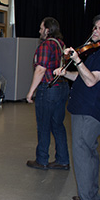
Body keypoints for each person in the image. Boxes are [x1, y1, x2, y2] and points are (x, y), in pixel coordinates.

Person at [53, 11, 100, 200]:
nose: (95, 31)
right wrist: (66, 73)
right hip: (86, 108)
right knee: (89, 154)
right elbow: (83, 78)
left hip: (90, 111)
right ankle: (91, 196)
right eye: (95, 27)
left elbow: (91, 81)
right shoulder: (99, 49)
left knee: (82, 157)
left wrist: (77, 60)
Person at [26, 17, 70, 170]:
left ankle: (42, 159)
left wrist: (31, 92)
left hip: (49, 89)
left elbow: (41, 69)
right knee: (57, 125)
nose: (39, 31)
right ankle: (63, 160)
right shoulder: (60, 44)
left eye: (41, 28)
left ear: (48, 29)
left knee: (43, 125)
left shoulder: (46, 45)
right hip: (62, 87)